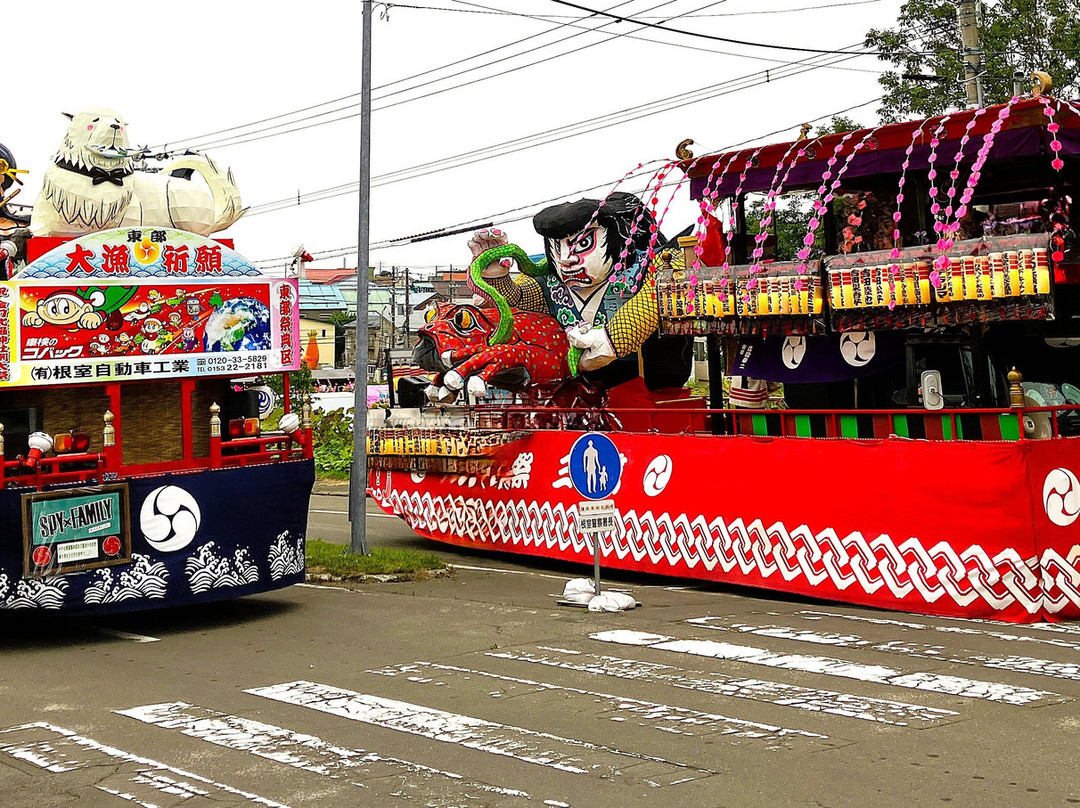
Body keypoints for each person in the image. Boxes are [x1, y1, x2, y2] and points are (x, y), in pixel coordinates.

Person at [468, 192, 692, 390]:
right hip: (573, 389)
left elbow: (657, 292)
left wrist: (614, 338)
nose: (566, 259)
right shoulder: (549, 278)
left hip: (649, 387)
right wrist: (495, 276)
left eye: (583, 245)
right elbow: (520, 298)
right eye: (557, 247)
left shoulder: (650, 264)